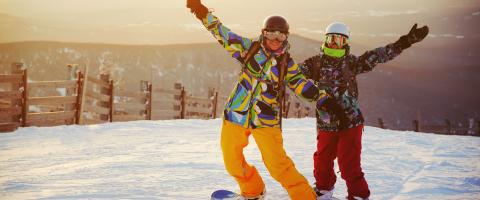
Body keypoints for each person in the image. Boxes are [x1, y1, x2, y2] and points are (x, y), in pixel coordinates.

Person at [186, 1, 348, 199]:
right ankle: (253, 190)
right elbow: (222, 33)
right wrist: (200, 11)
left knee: (278, 166)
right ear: (263, 33)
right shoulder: (249, 49)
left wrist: (326, 101)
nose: (275, 39)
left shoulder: (286, 64)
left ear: (286, 37)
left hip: (266, 120)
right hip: (236, 114)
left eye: (280, 35)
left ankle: (305, 196)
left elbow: (301, 84)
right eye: (271, 33)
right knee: (232, 161)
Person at [300, 22, 429, 200]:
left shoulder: (351, 63)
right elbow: (293, 75)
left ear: (345, 42)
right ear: (325, 40)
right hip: (326, 122)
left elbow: (377, 56)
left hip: (350, 121)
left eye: (339, 40)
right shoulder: (315, 64)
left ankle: (359, 195)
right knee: (322, 159)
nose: (334, 44)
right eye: (331, 39)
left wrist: (404, 42)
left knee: (348, 163)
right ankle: (323, 189)